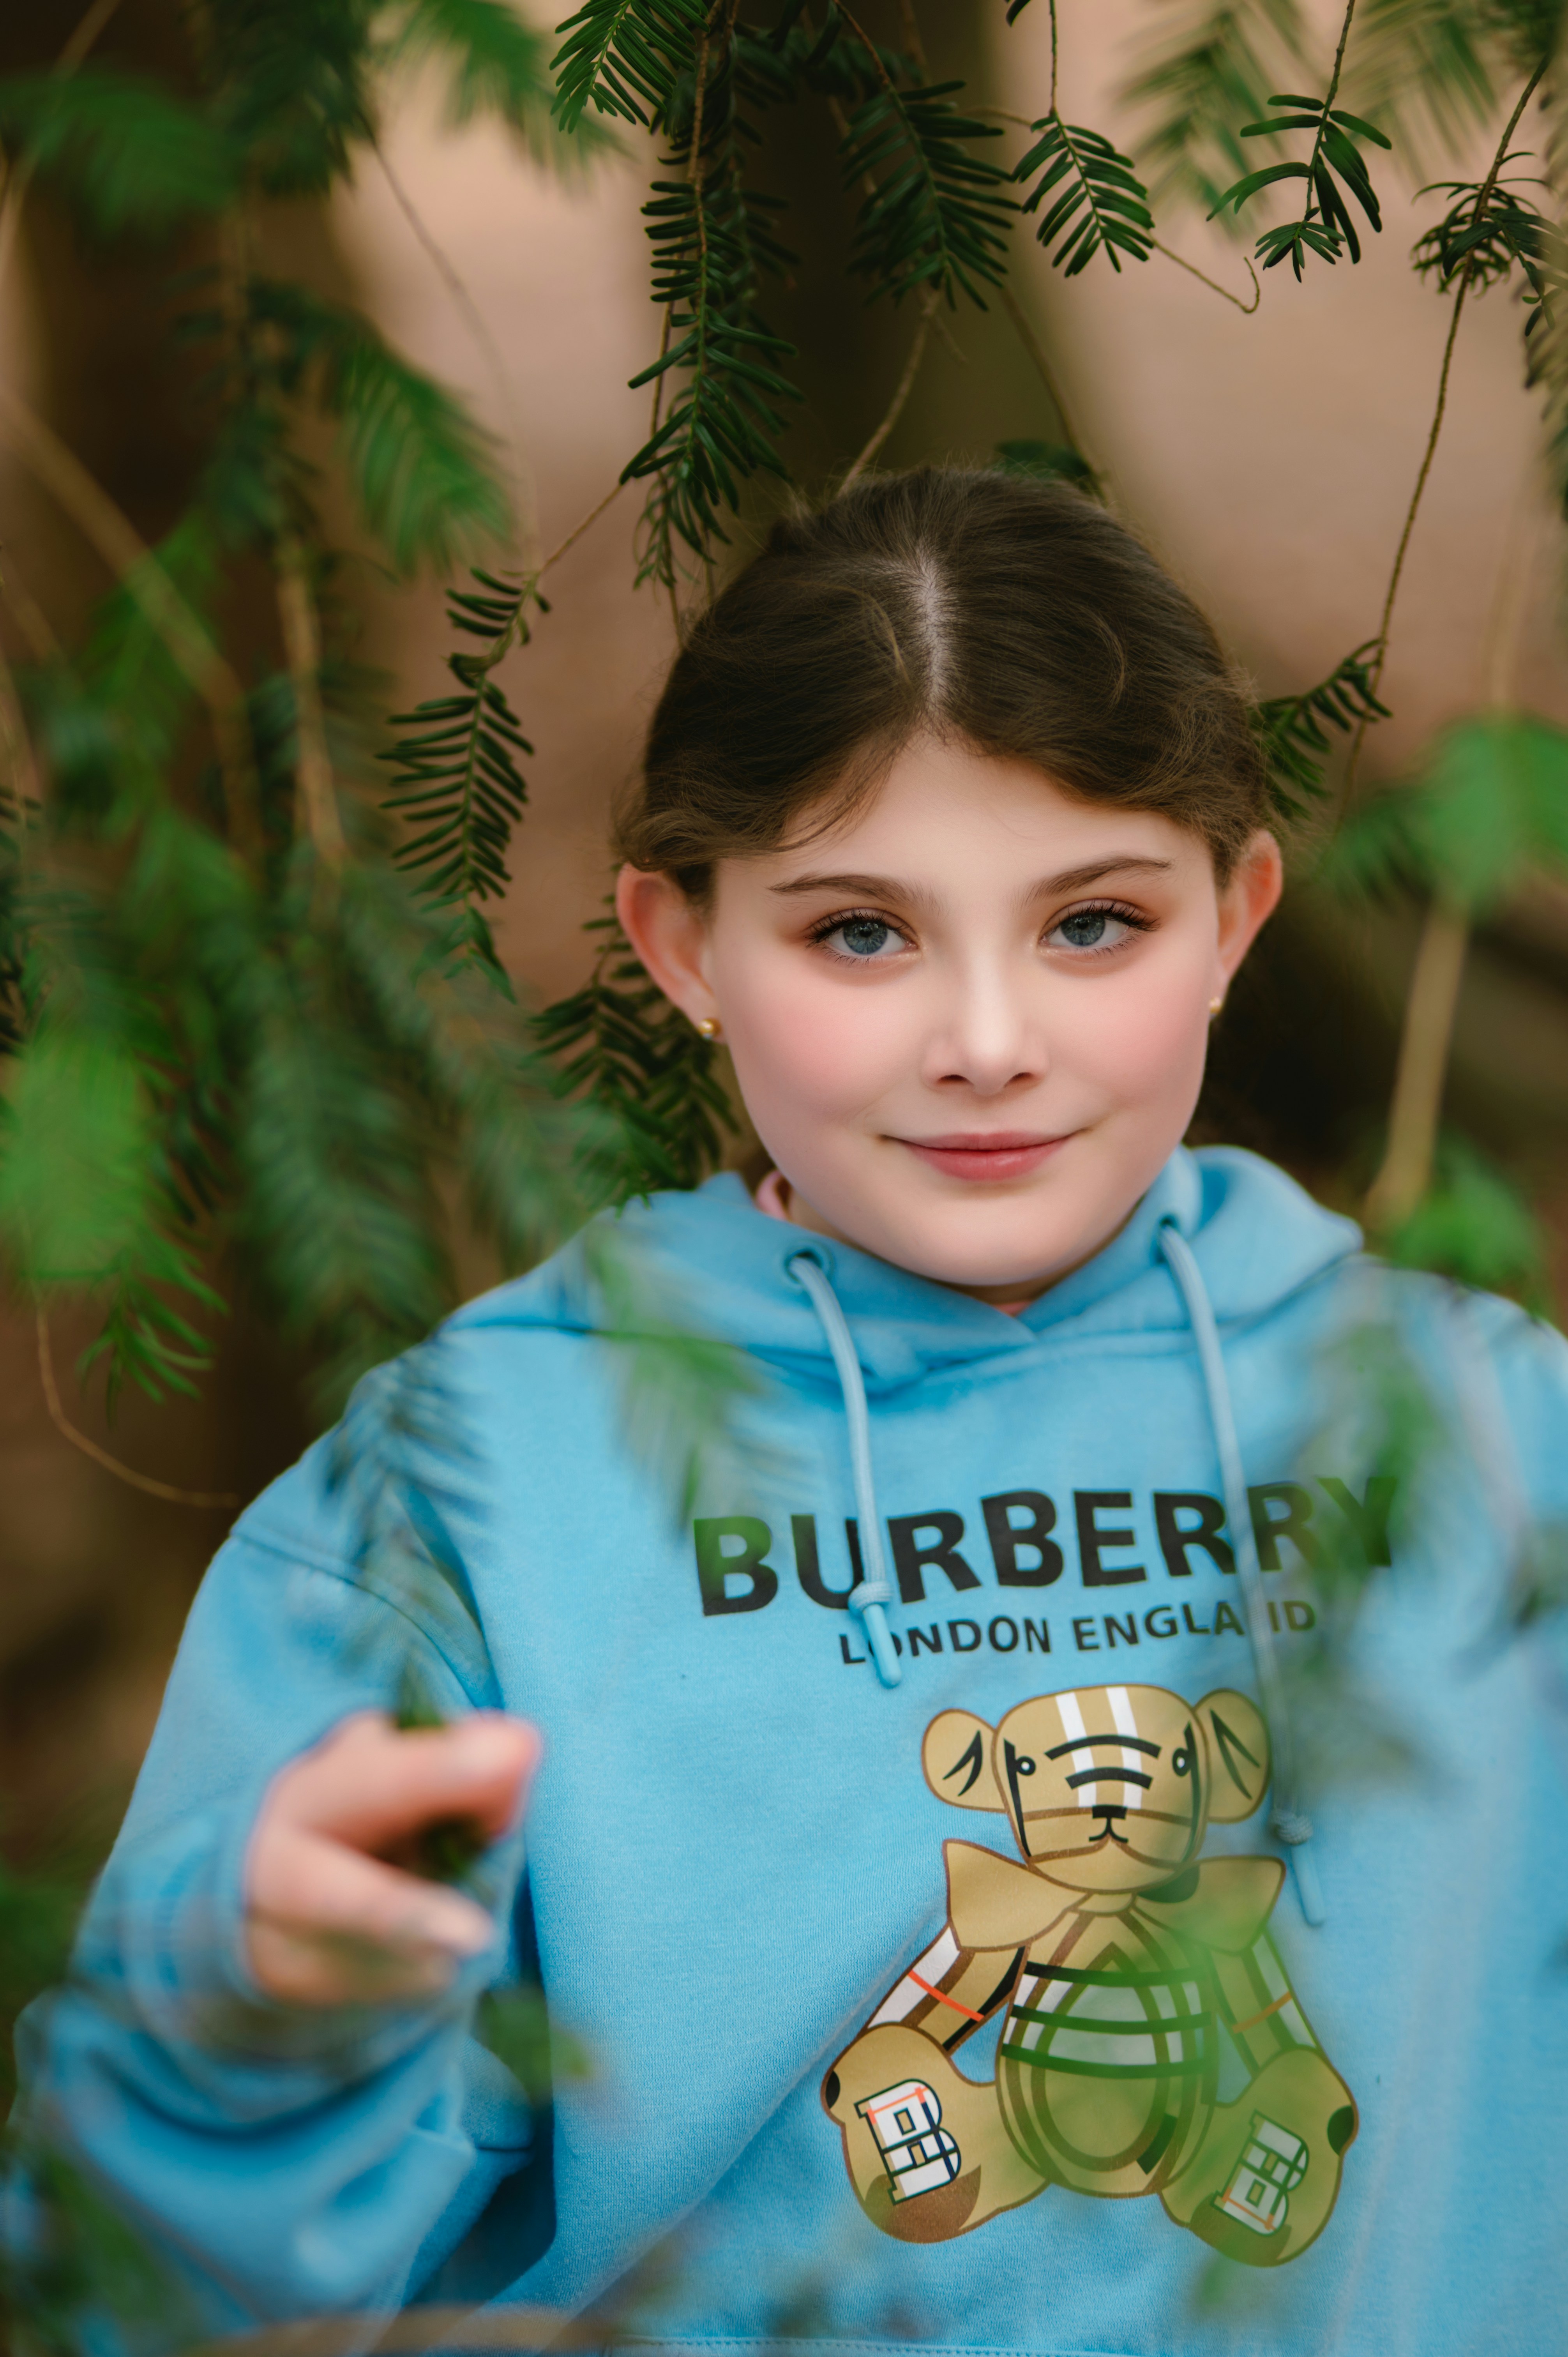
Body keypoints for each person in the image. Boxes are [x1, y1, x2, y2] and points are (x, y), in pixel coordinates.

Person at [15, 469, 1568, 2354]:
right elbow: (114, 2287)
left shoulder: (1494, 1435)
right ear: (682, 947)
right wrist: (253, 2003)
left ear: (1237, 917)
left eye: (1092, 923)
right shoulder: (483, 1494)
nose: (988, 1038)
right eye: (858, 933)